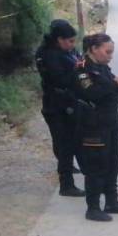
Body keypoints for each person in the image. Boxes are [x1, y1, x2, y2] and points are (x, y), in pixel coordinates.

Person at [75, 33, 118, 222]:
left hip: (112, 121)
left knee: (113, 161)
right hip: (93, 124)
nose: (110, 56)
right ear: (94, 49)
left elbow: (114, 93)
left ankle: (112, 201)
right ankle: (93, 207)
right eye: (107, 52)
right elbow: (91, 93)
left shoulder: (103, 68)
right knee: (96, 165)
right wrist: (113, 84)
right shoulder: (82, 69)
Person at [35, 19, 84, 197]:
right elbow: (59, 80)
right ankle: (66, 183)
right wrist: (77, 70)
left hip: (70, 102)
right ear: (59, 39)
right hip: (56, 105)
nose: (72, 45)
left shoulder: (68, 52)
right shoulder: (48, 55)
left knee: (70, 141)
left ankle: (69, 168)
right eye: (69, 41)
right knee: (64, 144)